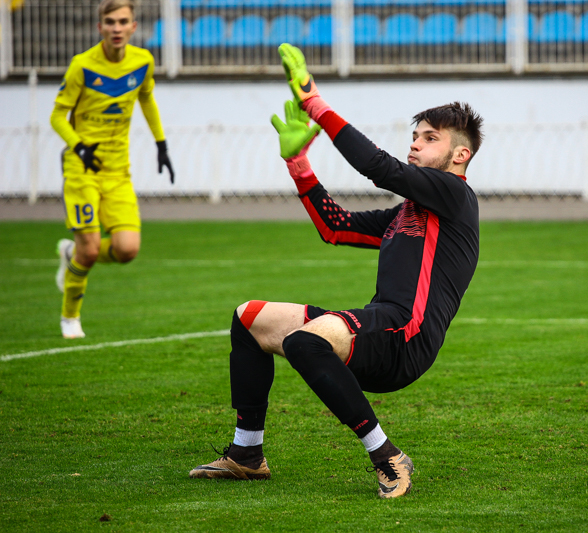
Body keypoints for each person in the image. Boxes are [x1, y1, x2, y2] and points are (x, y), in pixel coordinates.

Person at [189, 44, 483, 499]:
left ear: (460, 155)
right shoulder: (408, 212)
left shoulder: (455, 195)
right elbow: (335, 226)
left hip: (406, 335)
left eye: (430, 138)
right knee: (249, 318)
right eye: (415, 135)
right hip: (381, 327)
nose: (415, 143)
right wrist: (299, 165)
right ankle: (247, 454)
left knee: (304, 342)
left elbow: (377, 167)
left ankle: (387, 456)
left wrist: (314, 101)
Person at [51, 0, 174, 339]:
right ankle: (70, 317)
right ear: (100, 27)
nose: (116, 28)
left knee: (127, 249)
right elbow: (57, 115)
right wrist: (78, 146)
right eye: (110, 22)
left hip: (118, 170)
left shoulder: (142, 61)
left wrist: (161, 144)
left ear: (133, 27)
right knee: (90, 249)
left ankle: (70, 253)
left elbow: (146, 98)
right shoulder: (82, 65)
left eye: (122, 21)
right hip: (82, 167)